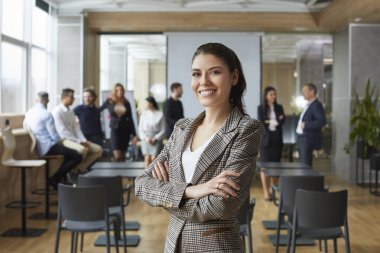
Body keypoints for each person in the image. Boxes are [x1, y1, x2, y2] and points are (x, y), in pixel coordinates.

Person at [135, 43, 264, 252]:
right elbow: (141, 185)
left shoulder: (246, 130)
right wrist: (194, 191)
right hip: (173, 245)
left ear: (234, 77)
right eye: (196, 74)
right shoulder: (182, 128)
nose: (203, 82)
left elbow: (222, 206)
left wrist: (166, 197)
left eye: (214, 72)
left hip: (215, 247)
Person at [23, 92, 82, 189]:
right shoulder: (46, 114)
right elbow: (54, 136)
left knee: (68, 154)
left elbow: (25, 127)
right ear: (47, 100)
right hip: (48, 147)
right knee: (77, 156)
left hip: (36, 148)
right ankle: (55, 179)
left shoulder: (28, 113)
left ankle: (61, 180)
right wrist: (61, 143)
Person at [52, 88, 102, 172]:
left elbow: (77, 128)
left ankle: (78, 169)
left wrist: (84, 140)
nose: (73, 99)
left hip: (75, 139)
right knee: (82, 149)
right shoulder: (57, 111)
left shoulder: (71, 112)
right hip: (64, 140)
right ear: (64, 97)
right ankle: (74, 171)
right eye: (71, 97)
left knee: (98, 150)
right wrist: (79, 142)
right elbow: (63, 132)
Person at [257, 86, 285, 200]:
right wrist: (275, 121)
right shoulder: (261, 108)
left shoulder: (279, 107)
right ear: (266, 96)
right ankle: (266, 191)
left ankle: (273, 191)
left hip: (277, 140)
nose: (273, 96)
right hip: (265, 141)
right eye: (271, 94)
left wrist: (270, 121)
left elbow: (283, 121)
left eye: (274, 94)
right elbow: (261, 123)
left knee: (276, 166)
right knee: (264, 166)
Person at [102, 83, 137, 161]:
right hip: (115, 130)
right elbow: (99, 110)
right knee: (117, 156)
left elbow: (130, 119)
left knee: (123, 157)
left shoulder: (126, 103)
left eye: (121, 90)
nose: (120, 91)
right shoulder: (110, 102)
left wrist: (134, 135)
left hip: (125, 130)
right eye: (117, 90)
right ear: (114, 91)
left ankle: (122, 173)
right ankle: (115, 173)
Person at [296, 83, 326, 166]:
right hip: (302, 138)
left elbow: (321, 121)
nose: (303, 93)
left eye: (304, 91)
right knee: (302, 164)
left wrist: (306, 125)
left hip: (307, 139)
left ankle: (305, 179)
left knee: (305, 165)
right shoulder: (309, 105)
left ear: (312, 92)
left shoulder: (316, 105)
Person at [138, 96, 165, 169]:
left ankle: (154, 179)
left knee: (154, 158)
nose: (145, 105)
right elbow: (140, 128)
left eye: (146, 103)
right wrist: (146, 138)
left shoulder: (160, 114)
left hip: (156, 138)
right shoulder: (144, 114)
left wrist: (155, 138)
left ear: (151, 103)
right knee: (147, 158)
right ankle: (145, 179)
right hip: (146, 138)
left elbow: (163, 129)